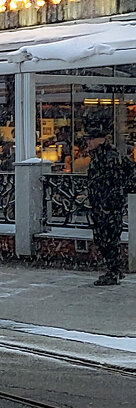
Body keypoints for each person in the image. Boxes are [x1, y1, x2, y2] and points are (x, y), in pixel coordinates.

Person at [84, 119, 133, 286]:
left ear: (100, 140)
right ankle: (115, 270)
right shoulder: (99, 157)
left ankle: (113, 271)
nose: (88, 142)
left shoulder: (111, 157)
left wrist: (114, 197)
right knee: (102, 239)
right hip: (100, 205)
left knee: (109, 240)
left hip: (109, 206)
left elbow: (127, 174)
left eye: (90, 139)